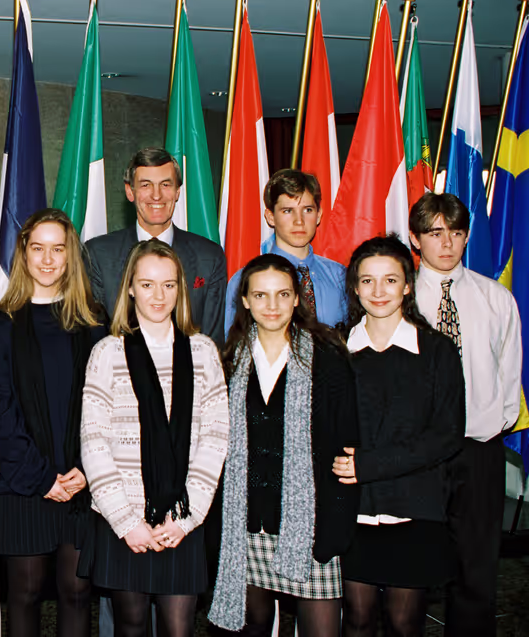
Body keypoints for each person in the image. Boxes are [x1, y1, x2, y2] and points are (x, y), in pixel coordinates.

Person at [80, 239, 229, 637]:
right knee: (130, 626)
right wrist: (128, 522)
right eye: (147, 285)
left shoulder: (203, 352)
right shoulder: (107, 353)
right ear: (130, 288)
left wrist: (185, 518)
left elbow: (215, 439)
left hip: (182, 519)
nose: (158, 296)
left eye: (168, 284)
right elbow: (94, 443)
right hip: (123, 519)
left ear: (181, 288)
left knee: (179, 628)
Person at [208, 253, 359, 636]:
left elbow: (345, 446)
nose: (272, 305)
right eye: (260, 295)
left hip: (311, 527)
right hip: (247, 527)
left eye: (282, 294)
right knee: (253, 626)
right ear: (245, 301)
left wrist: (335, 529)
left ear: (296, 299)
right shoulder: (229, 360)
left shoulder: (328, 358)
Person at [0, 208, 107, 637]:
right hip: (22, 481)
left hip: (80, 480)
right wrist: (41, 477)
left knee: (77, 592)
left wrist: (86, 469)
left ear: (71, 256)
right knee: (26, 592)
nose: (48, 260)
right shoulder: (1, 326)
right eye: (38, 248)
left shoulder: (94, 322)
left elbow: (107, 406)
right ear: (24, 254)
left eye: (58, 249)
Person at [333, 235, 465, 637]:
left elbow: (447, 435)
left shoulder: (437, 350)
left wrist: (369, 465)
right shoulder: (336, 348)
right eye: (367, 280)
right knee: (356, 621)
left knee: (404, 624)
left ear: (407, 285)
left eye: (390, 280)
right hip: (352, 511)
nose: (379, 291)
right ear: (355, 288)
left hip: (414, 509)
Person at [407, 193, 523, 636]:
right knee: (410, 571)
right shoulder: (398, 297)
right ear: (416, 238)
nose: (447, 243)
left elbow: (509, 374)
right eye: (435, 233)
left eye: (455, 233)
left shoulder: (495, 298)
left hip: (478, 449)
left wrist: (490, 425)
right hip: (417, 455)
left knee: (476, 569)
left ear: (467, 236)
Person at [85, 147, 227, 345]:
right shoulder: (97, 255)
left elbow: (212, 343)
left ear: (177, 192)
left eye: (165, 185)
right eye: (146, 185)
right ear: (130, 191)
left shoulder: (209, 257)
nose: (157, 195)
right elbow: (94, 340)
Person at [225, 169, 347, 331]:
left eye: (308, 210)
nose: (299, 221)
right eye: (288, 211)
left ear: (318, 215)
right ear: (270, 217)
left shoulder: (339, 276)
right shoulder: (245, 279)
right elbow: (234, 341)